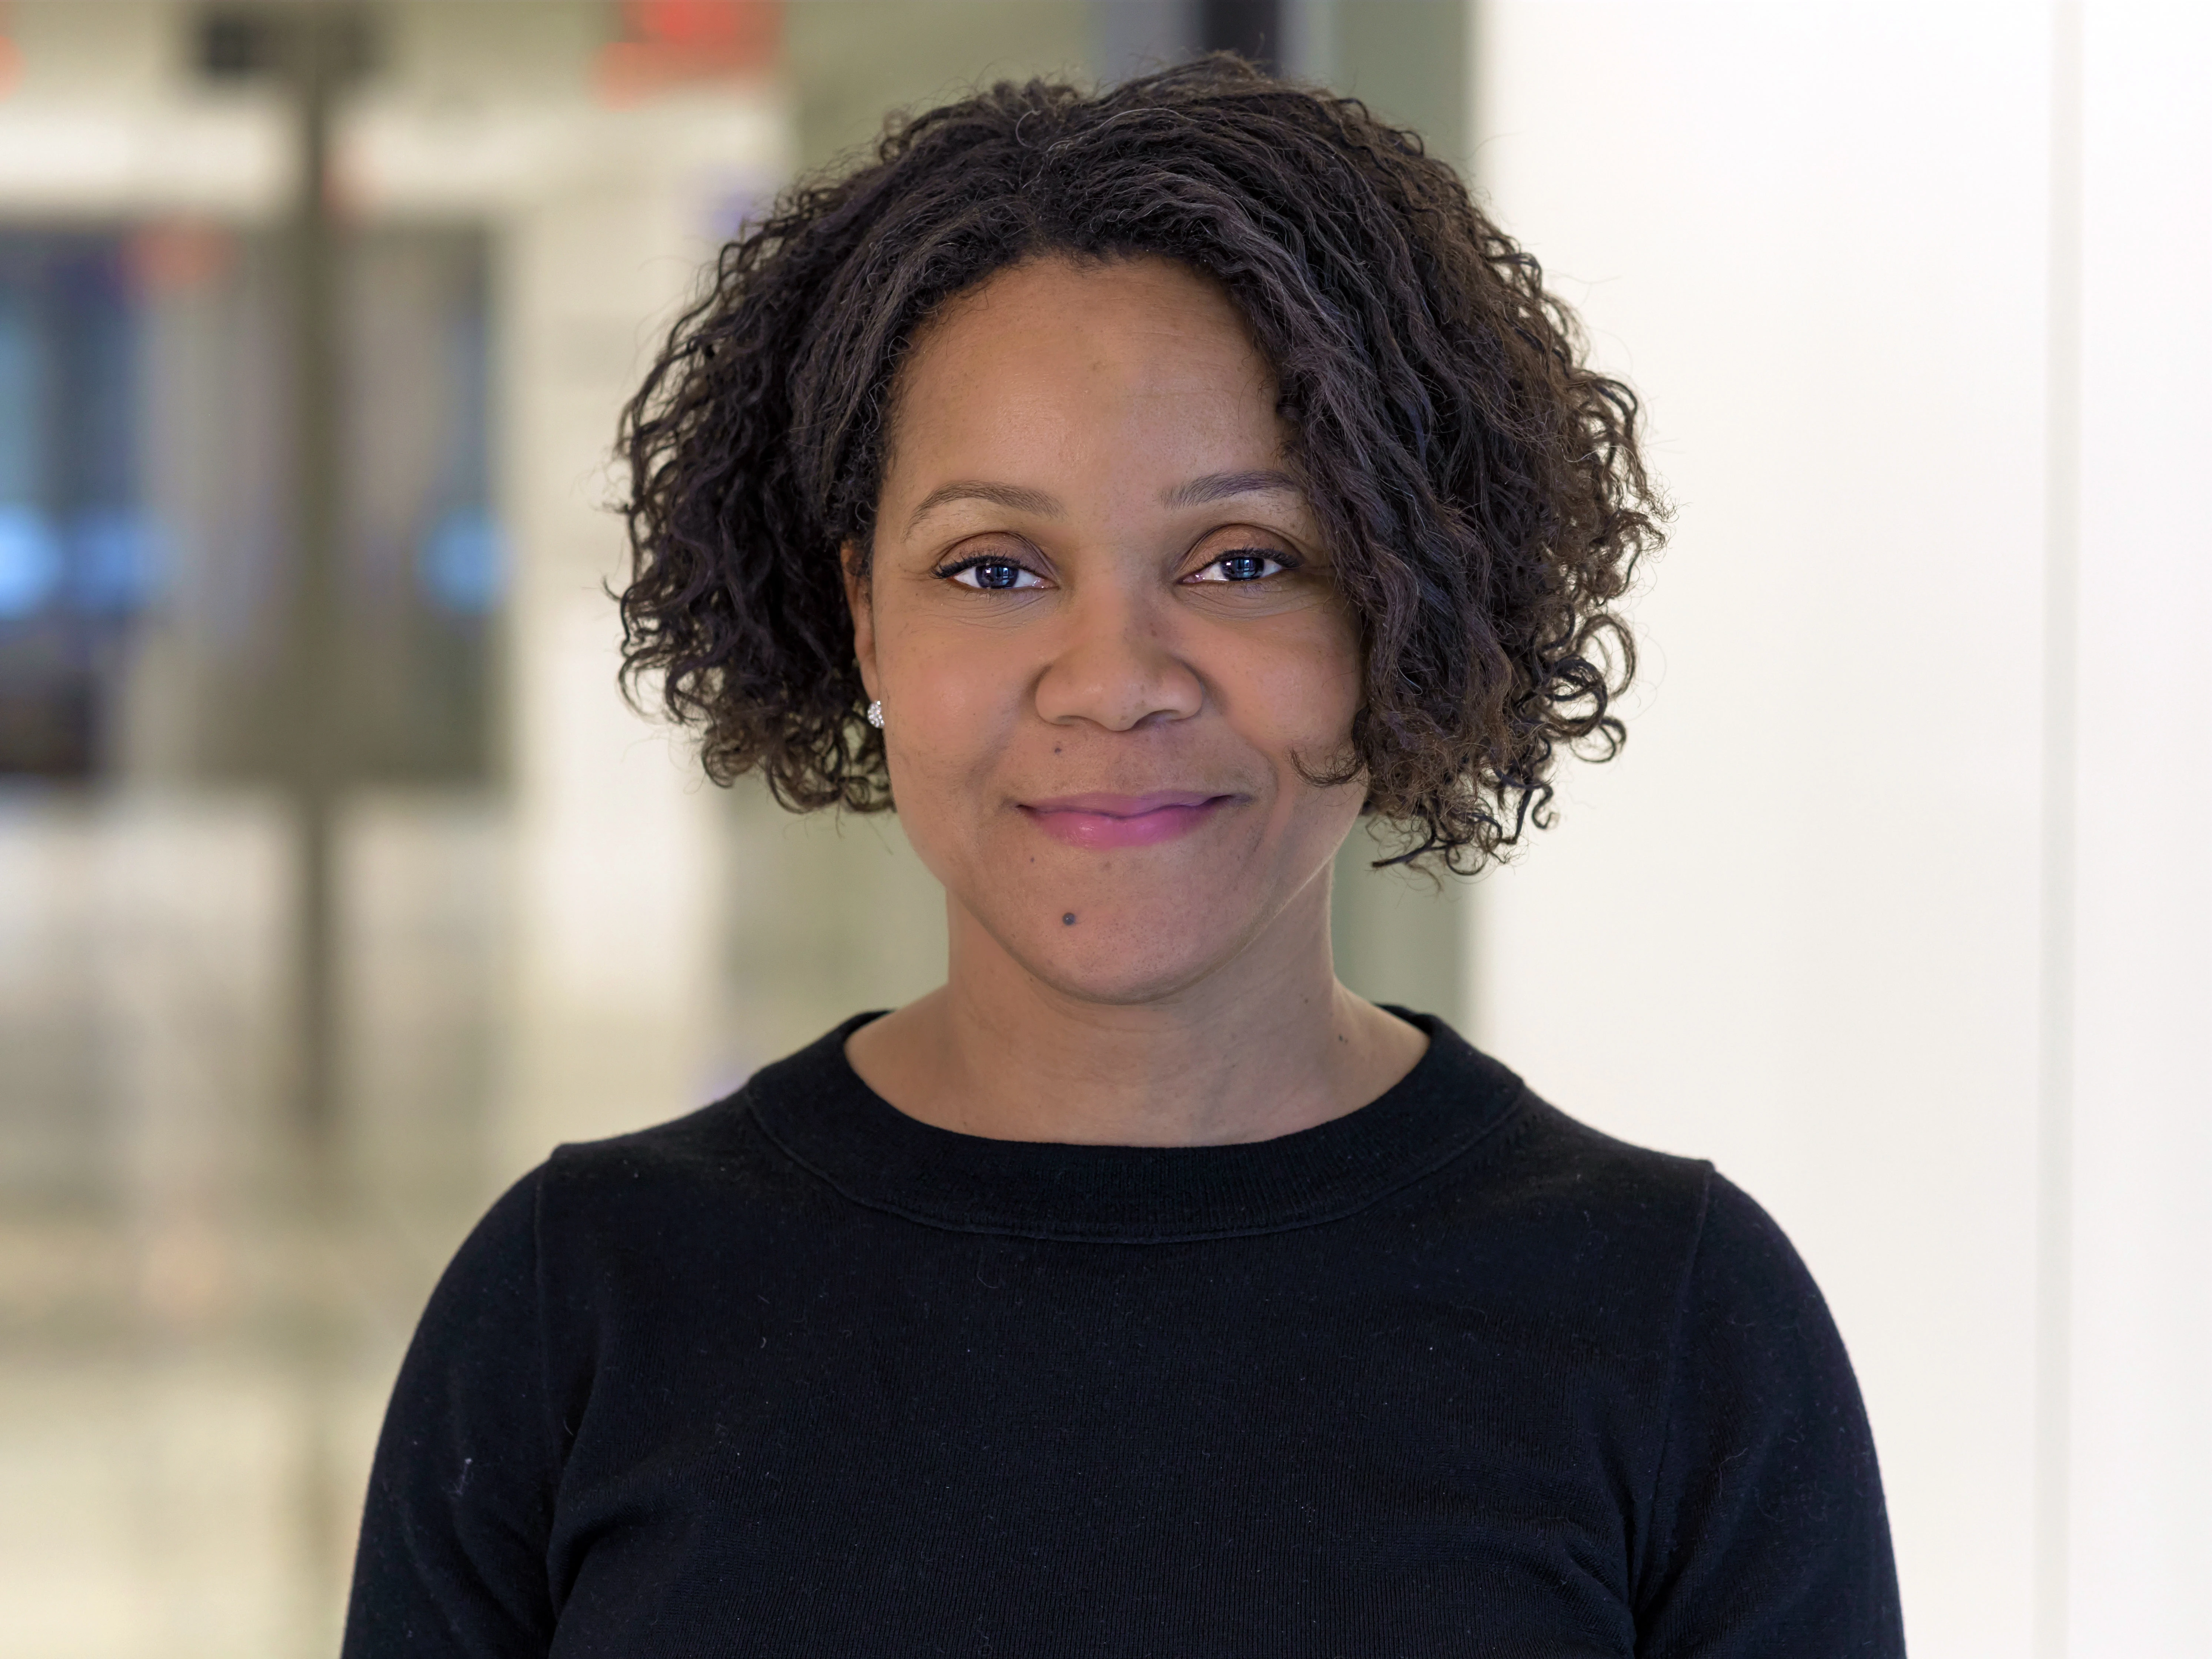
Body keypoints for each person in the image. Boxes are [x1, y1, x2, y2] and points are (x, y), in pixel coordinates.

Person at [343, 60, 1903, 1656]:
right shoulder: (579, 1305)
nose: (1113, 675)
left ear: (1401, 608)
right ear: (864, 617)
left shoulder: (1669, 1320)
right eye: (995, 566)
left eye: (1245, 558)